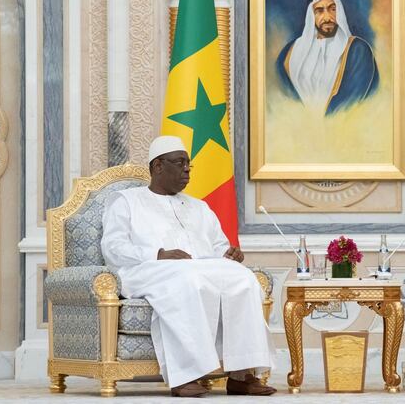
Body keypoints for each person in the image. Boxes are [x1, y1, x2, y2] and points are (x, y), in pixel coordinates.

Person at [101, 136, 276, 397]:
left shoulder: (200, 206)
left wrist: (228, 254)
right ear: (158, 166)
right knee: (187, 279)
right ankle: (186, 375)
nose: (186, 170)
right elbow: (113, 247)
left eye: (188, 165)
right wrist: (158, 254)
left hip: (196, 269)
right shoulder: (126, 201)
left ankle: (242, 374)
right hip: (145, 269)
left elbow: (217, 245)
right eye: (179, 163)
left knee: (243, 277)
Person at [275, 0, 379, 116]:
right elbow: (283, 96)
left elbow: (351, 102)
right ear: (311, 16)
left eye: (332, 9)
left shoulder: (357, 50)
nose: (327, 17)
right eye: (319, 11)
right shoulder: (289, 54)